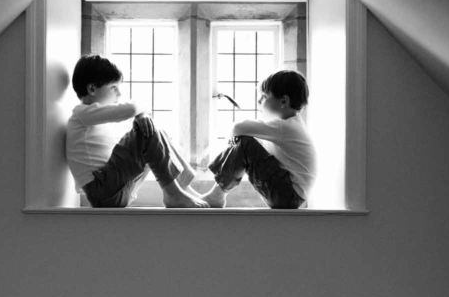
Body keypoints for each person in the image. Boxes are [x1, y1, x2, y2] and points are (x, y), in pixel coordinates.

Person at [65, 55, 209, 208]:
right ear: (92, 89)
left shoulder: (91, 119)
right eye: (114, 87)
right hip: (102, 189)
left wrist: (142, 115)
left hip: (114, 190)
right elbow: (132, 108)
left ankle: (185, 190)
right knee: (144, 131)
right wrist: (141, 113)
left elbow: (135, 114)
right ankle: (173, 193)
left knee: (157, 132)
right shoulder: (82, 114)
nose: (118, 95)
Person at [198, 70, 316, 209]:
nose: (258, 101)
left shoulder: (283, 127)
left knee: (245, 142)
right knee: (248, 143)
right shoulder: (292, 125)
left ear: (284, 101)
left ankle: (217, 194)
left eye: (264, 97)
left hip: (287, 195)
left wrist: (233, 144)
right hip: (293, 196)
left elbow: (237, 128)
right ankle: (217, 193)